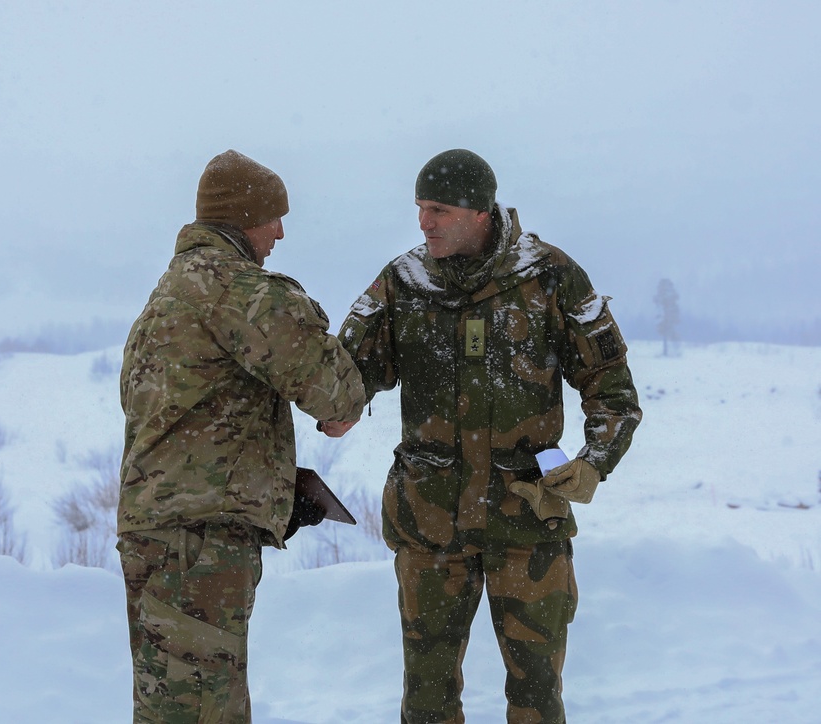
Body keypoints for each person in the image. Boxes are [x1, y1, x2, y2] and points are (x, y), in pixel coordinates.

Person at [323, 149, 642, 723]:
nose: (424, 222)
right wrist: (321, 387)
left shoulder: (550, 277)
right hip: (430, 527)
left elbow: (613, 391)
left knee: (537, 699)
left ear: (480, 213)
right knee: (427, 701)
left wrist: (595, 461)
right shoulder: (401, 283)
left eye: (439, 209)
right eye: (420, 208)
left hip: (526, 522)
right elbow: (342, 381)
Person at [117, 149, 365, 723]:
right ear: (241, 217)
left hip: (160, 534)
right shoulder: (234, 287)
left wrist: (265, 483)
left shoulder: (170, 293)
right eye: (272, 217)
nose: (279, 232)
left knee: (173, 706)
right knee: (206, 709)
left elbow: (191, 420)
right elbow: (335, 393)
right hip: (198, 543)